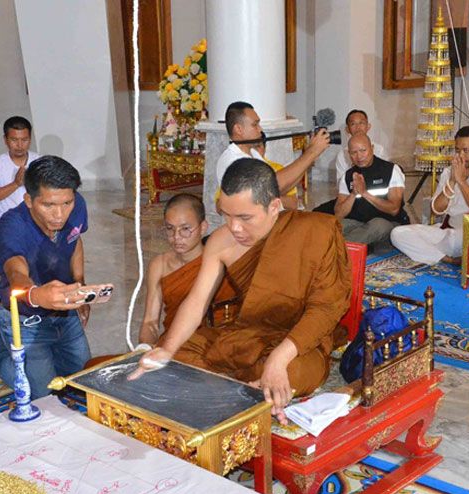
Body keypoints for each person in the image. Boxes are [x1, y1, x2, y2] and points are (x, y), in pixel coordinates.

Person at [132, 158, 352, 423]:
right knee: (174, 356)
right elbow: (197, 302)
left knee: (293, 373)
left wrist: (279, 358)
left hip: (300, 343)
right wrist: (167, 349)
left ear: (274, 206)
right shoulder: (221, 241)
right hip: (247, 334)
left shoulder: (316, 231)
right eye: (227, 215)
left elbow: (327, 308)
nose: (234, 227)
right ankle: (247, 393)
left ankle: (239, 389)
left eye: (245, 217)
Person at [0, 156, 93, 395]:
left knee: (82, 382)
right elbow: (15, 271)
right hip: (25, 318)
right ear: (28, 199)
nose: (60, 214)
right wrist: (38, 295)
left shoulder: (77, 204)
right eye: (48, 205)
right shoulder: (11, 226)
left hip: (64, 311)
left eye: (66, 203)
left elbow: (75, 238)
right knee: (42, 392)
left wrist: (79, 282)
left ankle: (16, 349)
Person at [209, 101, 330, 229]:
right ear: (238, 129)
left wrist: (311, 155)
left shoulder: (254, 154)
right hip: (250, 232)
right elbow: (272, 186)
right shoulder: (233, 159)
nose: (260, 129)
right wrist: (311, 153)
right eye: (255, 125)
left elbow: (281, 187)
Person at [139, 194, 235, 345]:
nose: (176, 237)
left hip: (217, 345)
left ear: (203, 227)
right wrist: (146, 348)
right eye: (170, 229)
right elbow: (150, 322)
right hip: (173, 345)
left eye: (185, 229)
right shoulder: (159, 265)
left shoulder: (219, 261)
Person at [390, 127, 469, 264]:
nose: (461, 156)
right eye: (457, 150)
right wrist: (453, 181)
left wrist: (462, 181)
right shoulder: (449, 172)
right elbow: (436, 209)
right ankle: (447, 259)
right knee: (397, 234)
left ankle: (434, 253)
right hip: (448, 232)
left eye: (466, 151)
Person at [313, 134, 407, 246]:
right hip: (360, 223)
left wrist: (364, 193)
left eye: (363, 150)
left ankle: (337, 249)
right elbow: (339, 213)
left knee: (377, 225)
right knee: (332, 225)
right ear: (349, 154)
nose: (359, 156)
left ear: (372, 148)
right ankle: (336, 246)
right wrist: (353, 193)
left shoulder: (391, 170)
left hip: (389, 223)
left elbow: (394, 209)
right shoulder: (348, 176)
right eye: (354, 153)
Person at [0, 116, 39, 262]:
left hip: (35, 221)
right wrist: (16, 183)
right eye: (14, 140)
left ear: (30, 139)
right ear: (5, 140)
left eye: (24, 140)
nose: (20, 145)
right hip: (3, 222)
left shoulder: (39, 162)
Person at [334, 109, 389, 189]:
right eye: (353, 124)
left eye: (361, 123)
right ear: (347, 129)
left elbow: (386, 177)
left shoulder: (379, 150)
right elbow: (340, 185)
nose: (358, 127)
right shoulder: (342, 155)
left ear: (368, 126)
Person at [251, 134, 301, 210]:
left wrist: (264, 197)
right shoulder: (238, 170)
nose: (254, 152)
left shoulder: (278, 169)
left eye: (258, 147)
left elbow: (293, 204)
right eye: (250, 148)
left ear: (265, 148)